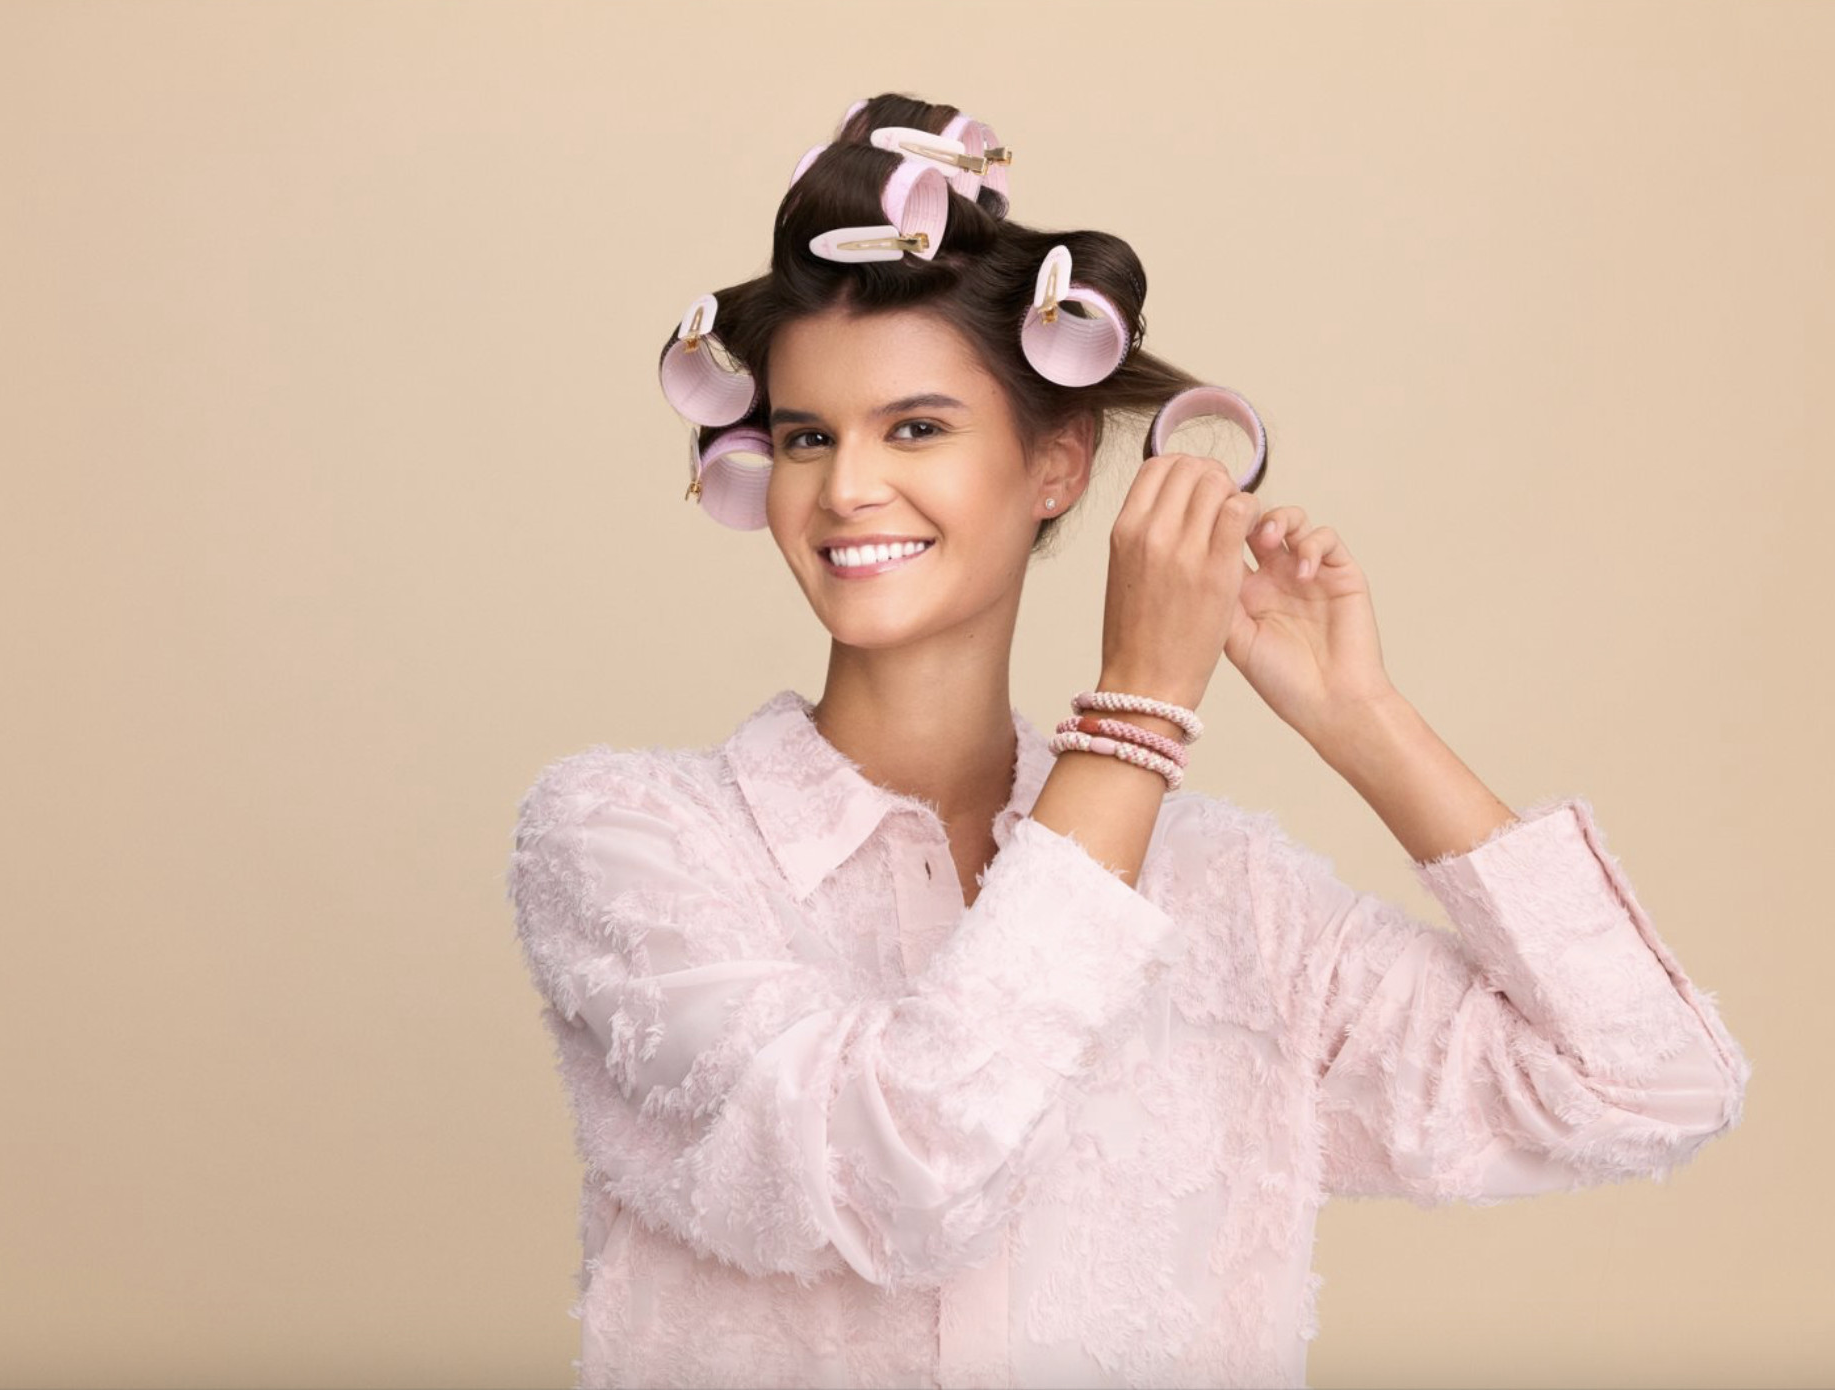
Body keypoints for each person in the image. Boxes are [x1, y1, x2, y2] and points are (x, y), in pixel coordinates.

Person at [503, 91, 1751, 1390]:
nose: (847, 488)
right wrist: (1140, 711)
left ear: (1056, 465)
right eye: (808, 436)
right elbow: (902, 1178)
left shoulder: (1225, 897)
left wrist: (1362, 718)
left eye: (916, 427)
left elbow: (1649, 1084)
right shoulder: (631, 843)